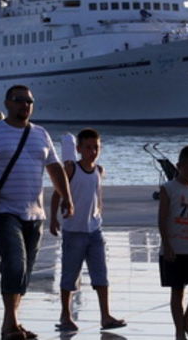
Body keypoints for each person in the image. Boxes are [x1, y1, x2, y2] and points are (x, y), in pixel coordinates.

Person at [0, 85, 74, 340]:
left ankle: (12, 324)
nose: (25, 105)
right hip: (4, 211)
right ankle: (10, 324)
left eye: (29, 101)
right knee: (14, 263)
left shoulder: (40, 133)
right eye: (19, 101)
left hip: (34, 214)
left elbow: (55, 169)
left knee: (25, 271)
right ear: (7, 103)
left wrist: (67, 199)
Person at [49, 128, 126, 332]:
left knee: (100, 274)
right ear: (79, 149)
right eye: (88, 147)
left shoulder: (99, 170)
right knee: (69, 274)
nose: (92, 152)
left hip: (94, 231)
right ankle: (65, 315)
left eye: (96, 147)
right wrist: (53, 219)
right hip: (74, 231)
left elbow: (96, 195)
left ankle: (105, 315)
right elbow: (57, 193)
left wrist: (99, 212)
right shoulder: (71, 169)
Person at [158, 145, 188, 340]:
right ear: (178, 166)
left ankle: (187, 321)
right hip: (174, 249)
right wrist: (167, 245)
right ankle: (180, 330)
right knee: (177, 290)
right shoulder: (168, 189)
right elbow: (162, 219)